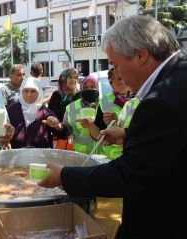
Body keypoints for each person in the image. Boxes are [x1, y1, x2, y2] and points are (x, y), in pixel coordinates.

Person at [38, 15, 186, 238]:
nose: (117, 75)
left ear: (140, 55)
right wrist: (128, 135)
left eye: (116, 65)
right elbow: (168, 142)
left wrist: (65, 176)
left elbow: (129, 174)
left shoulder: (160, 100)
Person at [78, 67, 134, 159]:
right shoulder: (105, 101)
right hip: (113, 158)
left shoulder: (140, 97)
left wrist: (118, 125)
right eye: (115, 78)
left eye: (122, 77)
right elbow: (100, 134)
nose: (120, 80)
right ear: (111, 83)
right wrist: (91, 126)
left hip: (135, 157)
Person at [7, 77, 65, 149]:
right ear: (21, 91)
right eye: (26, 91)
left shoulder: (44, 112)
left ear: (39, 92)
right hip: (16, 157)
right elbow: (3, 131)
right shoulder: (12, 110)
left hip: (41, 158)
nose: (29, 94)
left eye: (33, 91)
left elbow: (63, 134)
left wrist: (57, 126)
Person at [62, 75, 100, 154]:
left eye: (92, 87)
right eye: (85, 87)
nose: (89, 90)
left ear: (97, 88)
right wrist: (57, 127)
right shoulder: (71, 108)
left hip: (101, 156)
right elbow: (65, 131)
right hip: (80, 155)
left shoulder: (103, 105)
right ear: (81, 89)